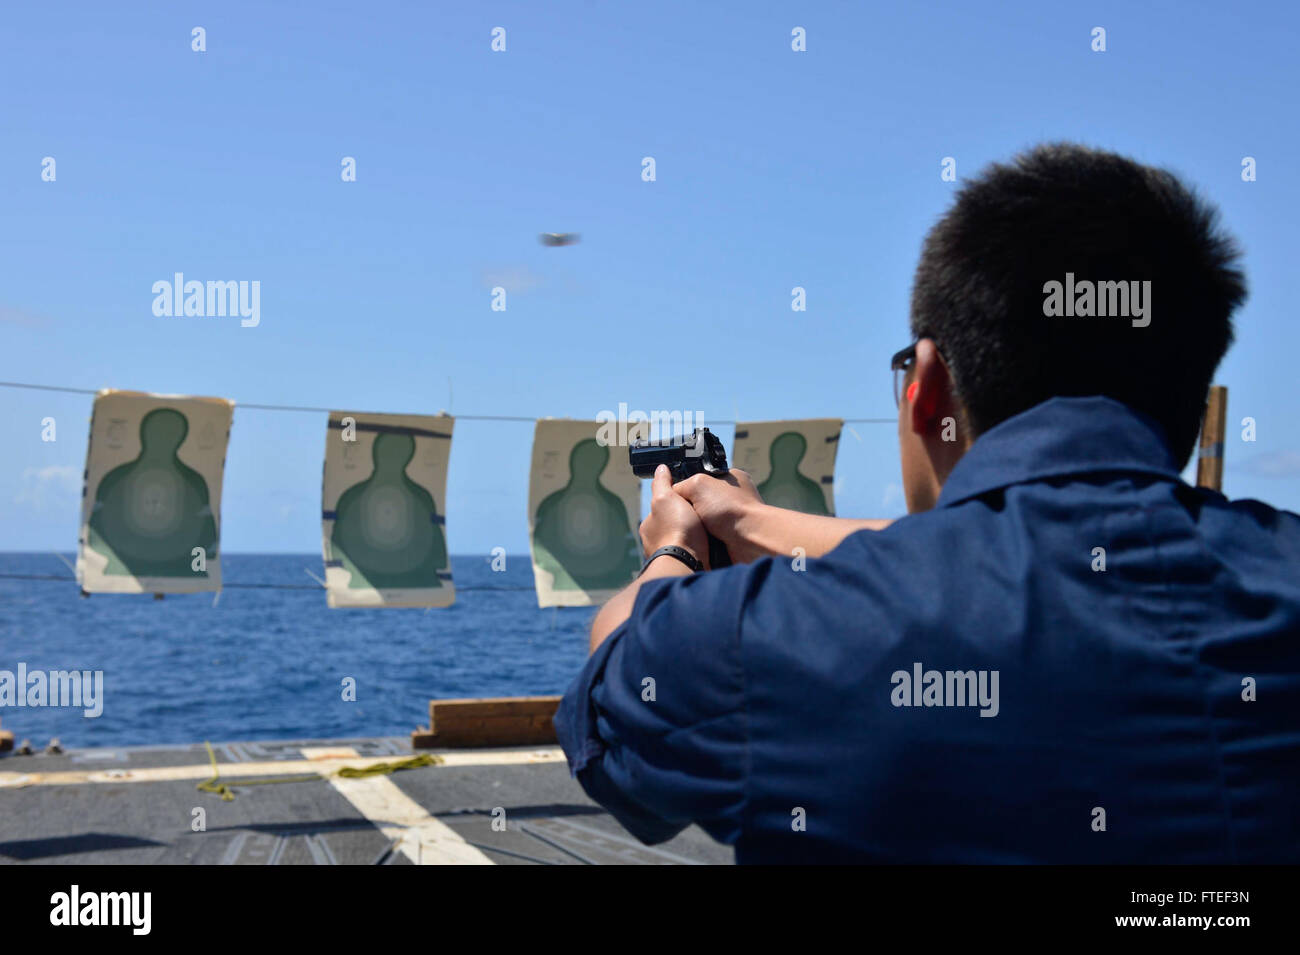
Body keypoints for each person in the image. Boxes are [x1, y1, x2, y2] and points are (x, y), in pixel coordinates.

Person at [553, 143, 1300, 863]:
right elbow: (1035, 552)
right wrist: (749, 520)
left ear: (928, 386)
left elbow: (617, 694)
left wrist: (673, 549)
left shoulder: (787, 634)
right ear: (1193, 402)